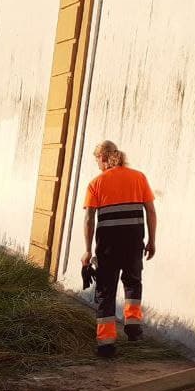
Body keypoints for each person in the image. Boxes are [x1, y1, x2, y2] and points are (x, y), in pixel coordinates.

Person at [81, 140, 157, 358]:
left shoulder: (96, 183)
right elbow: (151, 211)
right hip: (134, 242)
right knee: (133, 282)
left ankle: (106, 344)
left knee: (106, 290)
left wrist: (87, 250)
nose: (97, 164)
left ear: (103, 158)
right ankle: (133, 328)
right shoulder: (139, 177)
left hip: (108, 246)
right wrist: (152, 240)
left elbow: (88, 219)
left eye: (97, 160)